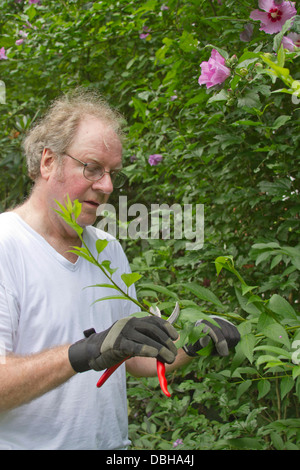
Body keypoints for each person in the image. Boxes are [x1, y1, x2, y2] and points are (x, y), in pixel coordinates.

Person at [0, 89, 240, 450]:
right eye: (92, 167)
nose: (107, 186)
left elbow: (130, 358)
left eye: (112, 173)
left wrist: (192, 343)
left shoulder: (107, 250)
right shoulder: (7, 246)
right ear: (49, 162)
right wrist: (85, 351)